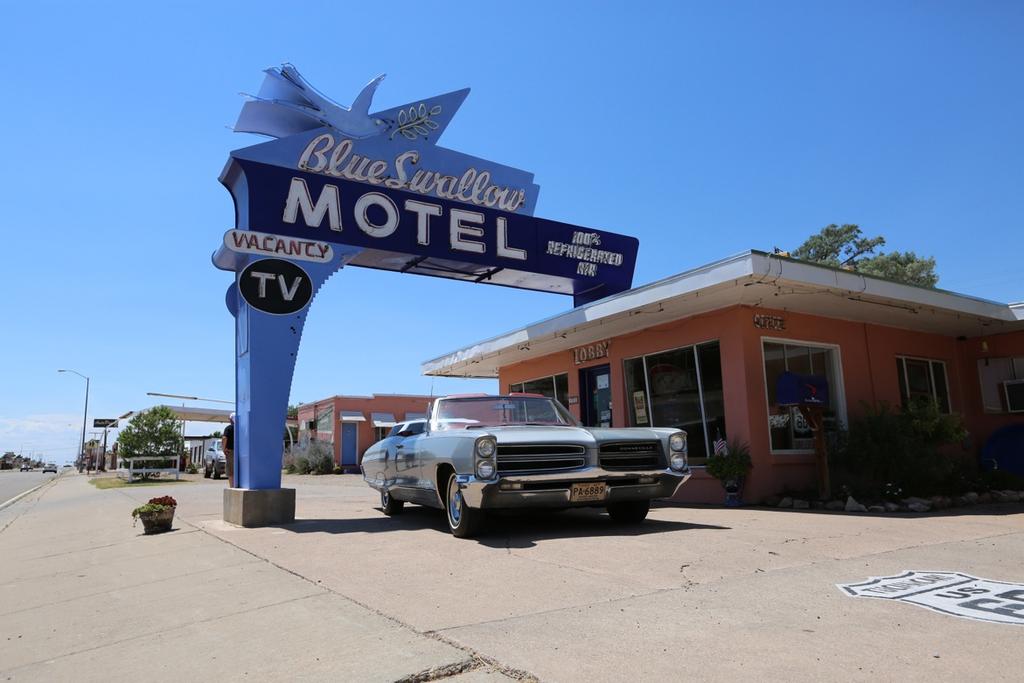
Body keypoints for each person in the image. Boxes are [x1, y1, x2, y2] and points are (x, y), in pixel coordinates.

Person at [222, 413, 235, 487]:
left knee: (230, 471)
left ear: (231, 419)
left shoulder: (229, 428)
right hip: (241, 452)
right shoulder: (241, 427)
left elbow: (224, 438)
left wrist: (224, 449)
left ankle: (232, 487)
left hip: (231, 452)